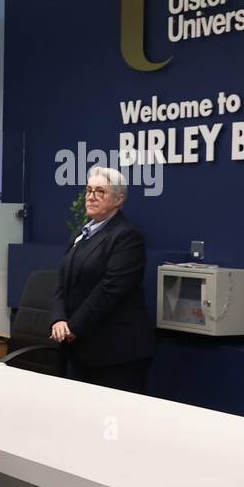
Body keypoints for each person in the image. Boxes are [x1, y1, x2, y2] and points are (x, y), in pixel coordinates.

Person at [50, 166, 156, 392]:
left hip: (116, 352)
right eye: (89, 190)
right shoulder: (81, 234)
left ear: (119, 199)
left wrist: (73, 326)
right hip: (79, 348)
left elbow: (111, 289)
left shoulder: (127, 236)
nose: (91, 197)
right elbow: (62, 280)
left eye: (100, 192)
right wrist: (58, 319)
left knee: (114, 421)